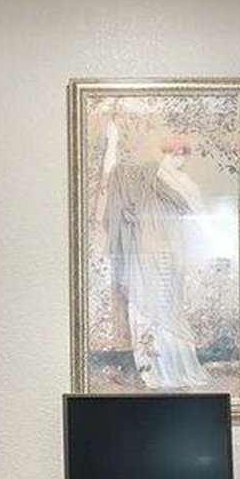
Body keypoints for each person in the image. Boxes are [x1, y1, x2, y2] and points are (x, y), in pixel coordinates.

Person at [92, 110, 211, 390]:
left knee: (168, 311)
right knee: (144, 311)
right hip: (145, 257)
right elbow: (114, 175)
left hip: (168, 257)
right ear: (166, 153)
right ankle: (152, 370)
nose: (179, 157)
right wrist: (112, 141)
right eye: (174, 152)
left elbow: (201, 216)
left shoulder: (185, 184)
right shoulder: (145, 176)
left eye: (183, 153)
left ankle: (170, 369)